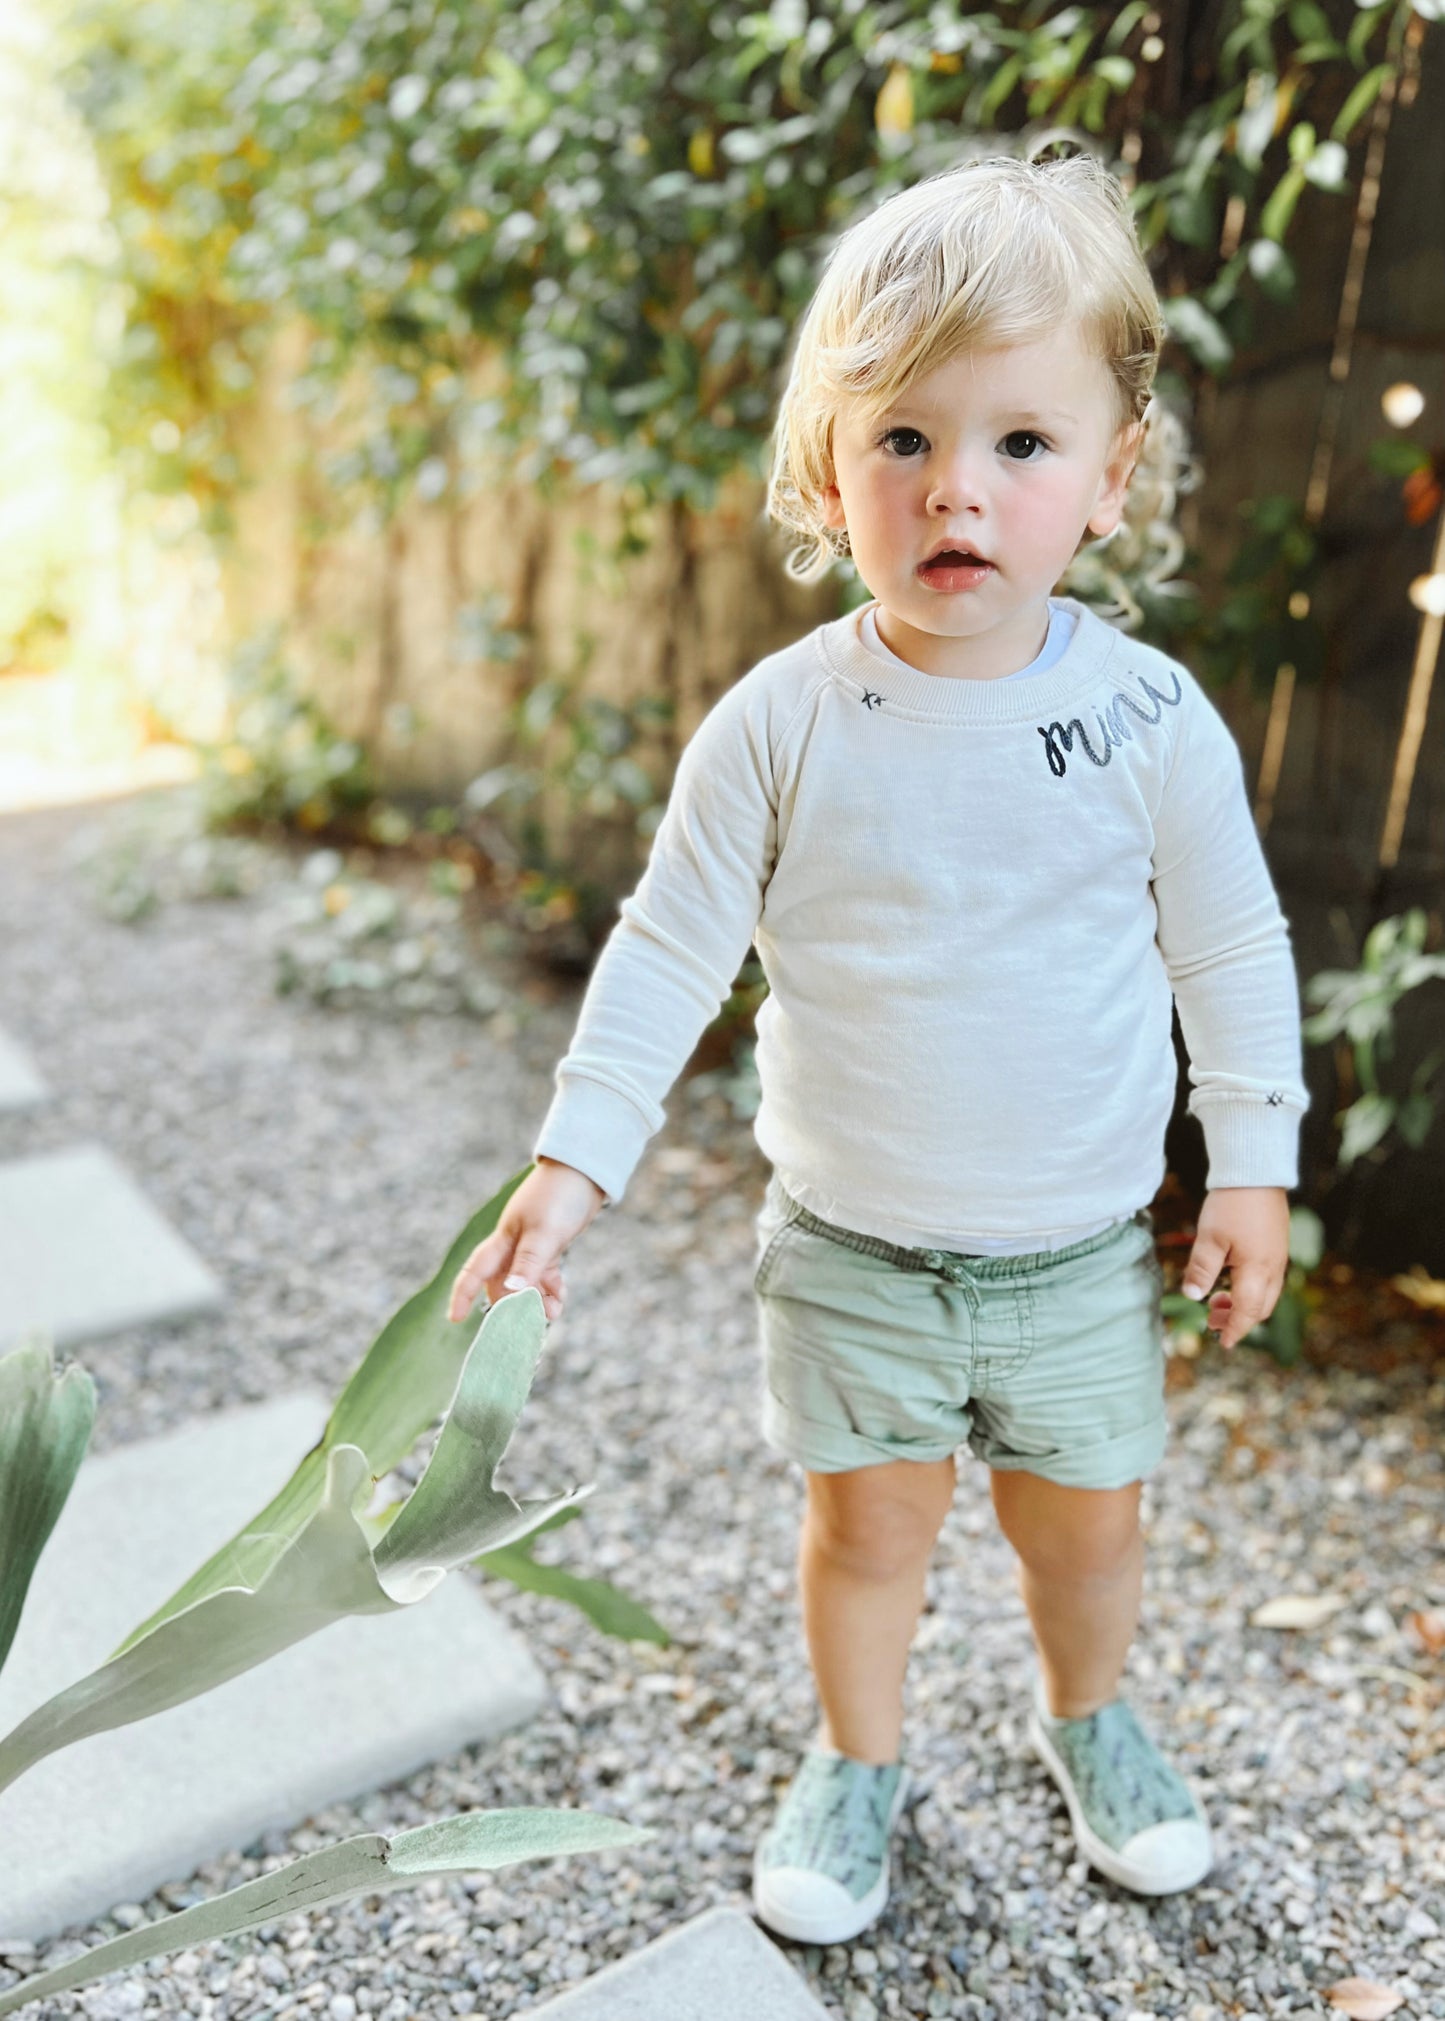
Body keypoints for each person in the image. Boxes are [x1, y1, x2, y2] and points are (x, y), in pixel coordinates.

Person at [446, 144, 1309, 1944]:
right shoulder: (782, 725)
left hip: (1073, 1255)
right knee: (869, 1539)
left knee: (1084, 1533)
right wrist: (572, 1158)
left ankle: (1092, 1718)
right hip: (851, 1257)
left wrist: (1253, 1160)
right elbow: (670, 943)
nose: (956, 492)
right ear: (827, 474)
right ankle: (859, 1757)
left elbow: (1227, 944)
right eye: (901, 439)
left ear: (1109, 477)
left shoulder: (1149, 721)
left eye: (1018, 442)